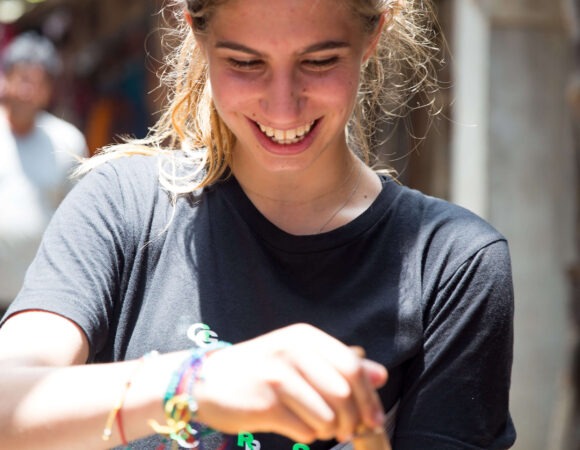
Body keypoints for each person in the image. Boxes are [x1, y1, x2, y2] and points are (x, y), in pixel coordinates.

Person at [0, 0, 516, 449]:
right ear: (199, 38)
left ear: (372, 36)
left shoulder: (454, 264)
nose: (283, 105)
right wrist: (194, 383)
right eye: (246, 62)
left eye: (319, 61)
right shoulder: (123, 205)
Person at [0, 31, 88, 311]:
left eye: (37, 83)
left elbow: (79, 223)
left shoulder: (67, 142)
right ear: (5, 79)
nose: (27, 91)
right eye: (22, 79)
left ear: (49, 91)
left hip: (36, 302)